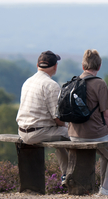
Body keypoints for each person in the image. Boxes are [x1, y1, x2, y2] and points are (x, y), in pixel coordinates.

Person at [68, 49, 108, 196]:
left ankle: (105, 188)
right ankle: (106, 188)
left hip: (73, 134)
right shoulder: (100, 84)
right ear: (99, 67)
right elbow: (107, 114)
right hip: (94, 133)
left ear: (83, 66)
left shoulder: (73, 82)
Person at [16, 51, 69, 183]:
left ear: (37, 65)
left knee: (61, 135)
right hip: (38, 133)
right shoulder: (51, 85)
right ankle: (69, 175)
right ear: (55, 66)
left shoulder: (28, 81)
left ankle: (67, 174)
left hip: (22, 131)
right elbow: (58, 118)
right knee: (73, 134)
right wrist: (69, 125)